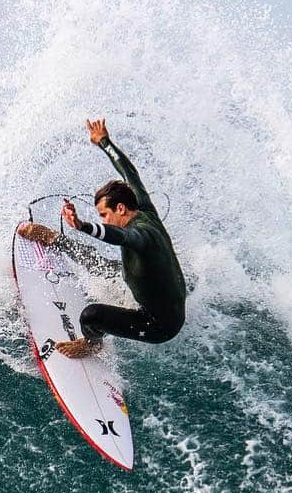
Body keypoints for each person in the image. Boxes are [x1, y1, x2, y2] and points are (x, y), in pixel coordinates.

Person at [17, 118, 186, 358]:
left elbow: (120, 236)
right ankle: (54, 239)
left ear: (120, 208)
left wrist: (81, 225)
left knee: (91, 316)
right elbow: (130, 173)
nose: (104, 220)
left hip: (159, 325)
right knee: (96, 260)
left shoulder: (141, 236)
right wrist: (104, 142)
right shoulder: (144, 208)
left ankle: (92, 343)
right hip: (153, 286)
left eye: (105, 214)